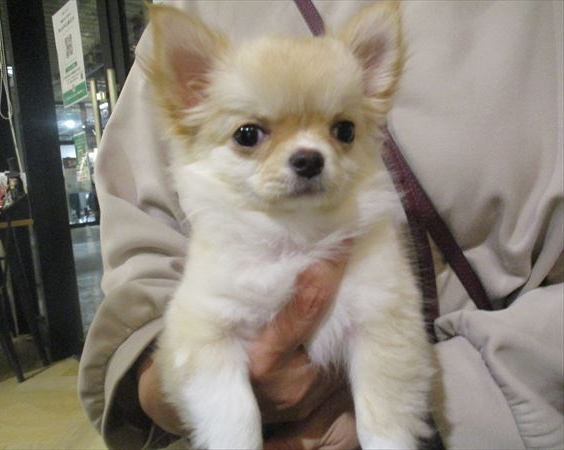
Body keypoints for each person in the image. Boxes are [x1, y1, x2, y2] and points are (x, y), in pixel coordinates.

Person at [78, 1, 563, 449]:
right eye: (250, 135)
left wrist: (393, 429)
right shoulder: (194, 10)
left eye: (341, 130)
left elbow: (390, 343)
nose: (307, 154)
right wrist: (215, 415)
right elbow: (181, 330)